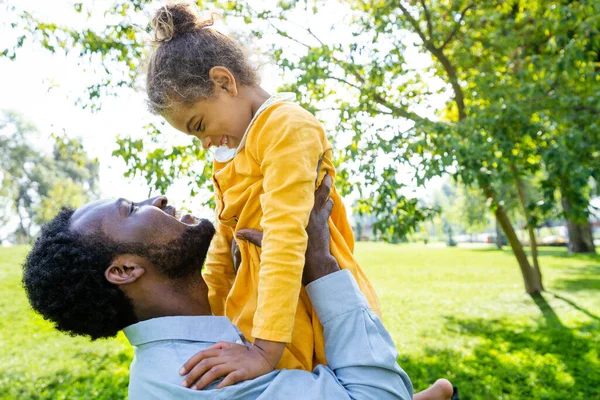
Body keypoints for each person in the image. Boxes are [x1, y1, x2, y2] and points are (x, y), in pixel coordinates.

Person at [22, 176, 454, 399]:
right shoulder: (196, 377)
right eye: (132, 208)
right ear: (125, 270)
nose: (157, 199)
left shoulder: (228, 311)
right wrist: (318, 262)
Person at [145, 3, 381, 385]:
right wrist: (215, 318)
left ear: (224, 82)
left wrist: (263, 350)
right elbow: (225, 242)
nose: (205, 143)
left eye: (200, 125)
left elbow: (286, 237)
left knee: (325, 381)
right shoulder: (229, 151)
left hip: (304, 293)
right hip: (263, 302)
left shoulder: (287, 127)